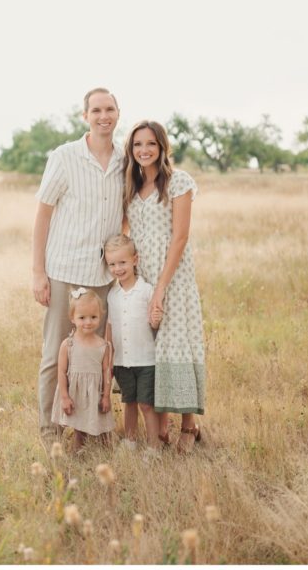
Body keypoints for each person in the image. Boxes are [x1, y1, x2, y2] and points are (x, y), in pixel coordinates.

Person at [33, 88, 124, 438]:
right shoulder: (64, 156)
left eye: (110, 109)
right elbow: (42, 214)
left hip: (103, 277)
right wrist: (38, 272)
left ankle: (89, 428)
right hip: (63, 272)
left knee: (95, 358)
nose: (104, 116)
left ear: (118, 113)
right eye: (97, 110)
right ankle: (49, 429)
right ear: (85, 115)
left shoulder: (123, 161)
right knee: (57, 354)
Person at [123, 120, 206, 453]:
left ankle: (190, 425)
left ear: (162, 147)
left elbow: (180, 237)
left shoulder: (178, 182)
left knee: (176, 346)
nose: (144, 150)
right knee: (152, 352)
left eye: (151, 144)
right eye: (138, 144)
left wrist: (160, 289)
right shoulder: (131, 186)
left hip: (172, 277)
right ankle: (161, 427)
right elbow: (126, 231)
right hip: (141, 276)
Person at [103, 234, 161, 451]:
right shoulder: (112, 295)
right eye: (112, 264)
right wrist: (109, 358)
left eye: (122, 262)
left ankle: (153, 447)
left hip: (145, 360)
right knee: (129, 402)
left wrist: (155, 321)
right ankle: (130, 441)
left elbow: (154, 326)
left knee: (146, 404)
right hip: (122, 361)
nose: (118, 268)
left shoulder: (146, 291)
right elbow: (109, 327)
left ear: (135, 260)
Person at [51, 288, 115, 451]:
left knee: (103, 432)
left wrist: (106, 396)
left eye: (93, 317)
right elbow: (61, 372)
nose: (88, 322)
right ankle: (77, 454)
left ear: (100, 317)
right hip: (76, 395)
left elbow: (107, 372)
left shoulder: (103, 345)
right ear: (72, 317)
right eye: (82, 317)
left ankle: (105, 453)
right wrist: (64, 397)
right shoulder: (68, 344)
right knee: (79, 430)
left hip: (96, 395)